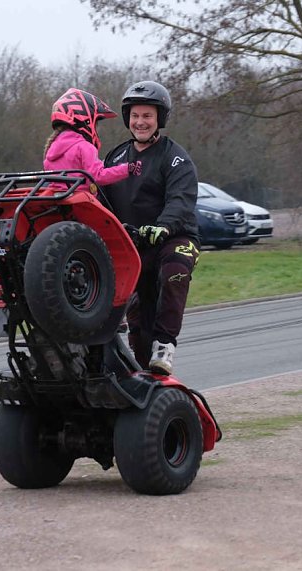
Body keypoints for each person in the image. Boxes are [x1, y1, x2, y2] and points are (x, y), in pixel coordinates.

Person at [101, 81, 200, 376]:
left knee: (174, 272)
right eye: (135, 115)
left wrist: (163, 226)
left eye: (147, 116)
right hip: (134, 245)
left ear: (160, 119)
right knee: (137, 317)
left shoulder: (176, 157)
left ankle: (165, 345)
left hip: (175, 238)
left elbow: (181, 200)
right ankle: (146, 376)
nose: (140, 122)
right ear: (127, 118)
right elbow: (102, 202)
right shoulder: (115, 159)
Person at [43, 88, 137, 190]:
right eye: (96, 123)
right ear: (86, 120)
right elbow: (98, 176)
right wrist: (128, 168)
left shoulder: (50, 149)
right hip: (80, 203)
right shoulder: (84, 147)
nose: (96, 128)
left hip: (59, 201)